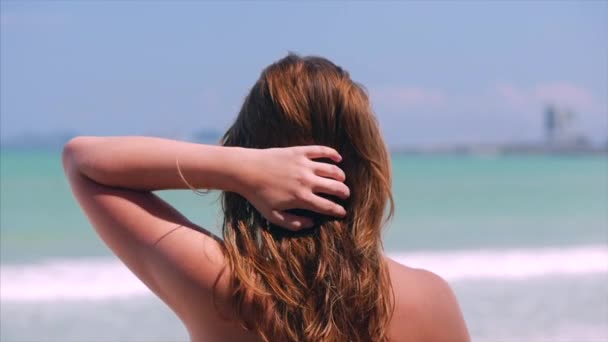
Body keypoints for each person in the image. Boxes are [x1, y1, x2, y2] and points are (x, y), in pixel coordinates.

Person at [63, 54, 469, 341]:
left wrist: (239, 168)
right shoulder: (429, 298)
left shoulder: (223, 285)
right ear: (368, 163)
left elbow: (82, 161)